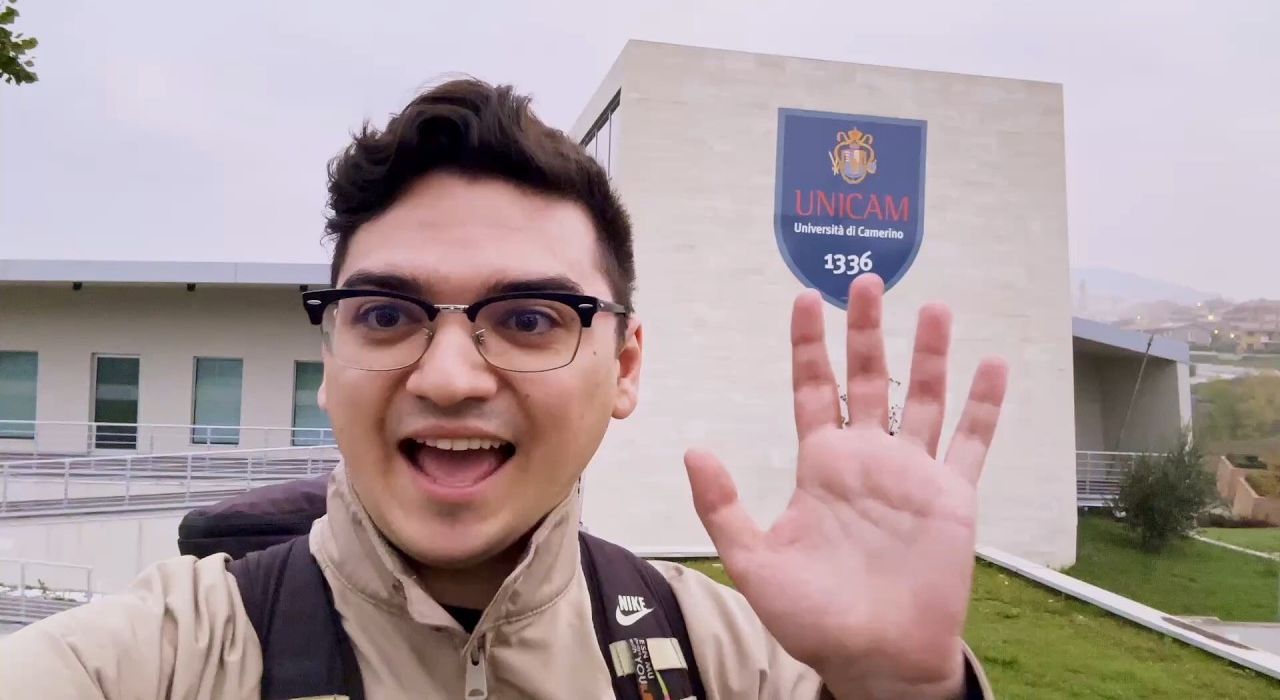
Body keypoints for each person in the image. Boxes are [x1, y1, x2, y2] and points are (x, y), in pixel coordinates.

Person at [0, 78, 1008, 699]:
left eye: (528, 320)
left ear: (625, 366)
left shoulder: (729, 665)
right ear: (330, 360)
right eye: (387, 315)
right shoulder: (163, 658)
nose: (446, 379)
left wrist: (899, 695)